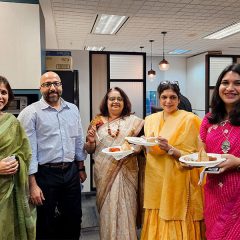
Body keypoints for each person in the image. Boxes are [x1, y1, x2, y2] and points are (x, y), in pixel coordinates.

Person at [18, 71, 87, 240]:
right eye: (47, 84)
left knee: (73, 218)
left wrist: (81, 167)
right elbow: (29, 153)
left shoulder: (73, 109)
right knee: (45, 223)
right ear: (40, 88)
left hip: (70, 173)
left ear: (61, 86)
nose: (52, 88)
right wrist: (32, 185)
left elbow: (78, 141)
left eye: (56, 83)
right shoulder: (30, 113)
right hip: (45, 174)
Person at [141, 81, 205, 240]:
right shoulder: (150, 119)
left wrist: (170, 149)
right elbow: (149, 150)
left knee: (175, 212)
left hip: (178, 178)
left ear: (178, 99)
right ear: (158, 98)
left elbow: (196, 157)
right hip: (155, 177)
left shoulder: (190, 119)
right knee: (156, 210)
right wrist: (144, 143)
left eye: (172, 97)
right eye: (164, 97)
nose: (168, 101)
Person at [85, 87, 144, 239]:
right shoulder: (97, 121)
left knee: (127, 211)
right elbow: (90, 149)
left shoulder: (134, 122)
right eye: (112, 99)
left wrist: (136, 149)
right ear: (106, 102)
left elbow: (141, 145)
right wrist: (90, 141)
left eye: (119, 99)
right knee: (107, 212)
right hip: (104, 174)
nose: (115, 102)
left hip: (128, 172)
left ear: (125, 102)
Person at [199, 63, 240, 239]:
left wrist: (238, 162)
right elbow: (201, 152)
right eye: (225, 82)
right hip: (214, 192)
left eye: (237, 83)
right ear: (218, 87)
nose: (230, 88)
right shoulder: (208, 119)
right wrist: (193, 163)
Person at [0, 76, 36, 239]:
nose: (1, 96)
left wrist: (18, 162)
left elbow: (25, 153)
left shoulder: (12, 122)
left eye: (4, 92)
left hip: (9, 189)